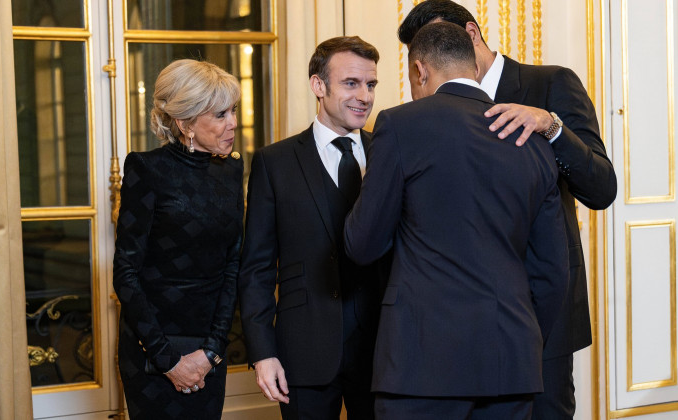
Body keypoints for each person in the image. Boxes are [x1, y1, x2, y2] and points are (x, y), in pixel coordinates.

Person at [398, 1, 617, 418]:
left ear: (471, 33)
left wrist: (551, 127)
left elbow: (602, 188)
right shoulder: (426, 111)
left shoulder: (551, 83)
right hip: (457, 319)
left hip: (543, 311)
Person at [344, 22, 569, 420]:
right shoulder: (532, 141)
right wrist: (521, 339)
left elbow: (363, 244)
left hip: (419, 364)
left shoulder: (399, 125)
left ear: (420, 70)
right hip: (511, 362)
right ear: (473, 67)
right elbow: (552, 273)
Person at [238, 36, 383, 420]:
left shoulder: (389, 153)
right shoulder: (275, 162)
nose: (364, 96)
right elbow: (256, 267)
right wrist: (263, 352)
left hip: (382, 351)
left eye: (371, 85)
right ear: (319, 86)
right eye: (351, 83)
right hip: (304, 350)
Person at [112, 59, 243, 419]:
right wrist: (167, 360)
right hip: (152, 350)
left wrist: (213, 350)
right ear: (185, 123)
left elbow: (233, 264)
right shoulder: (146, 168)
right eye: (220, 114)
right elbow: (125, 272)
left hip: (208, 347)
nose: (233, 122)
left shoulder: (232, 169)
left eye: (233, 110)